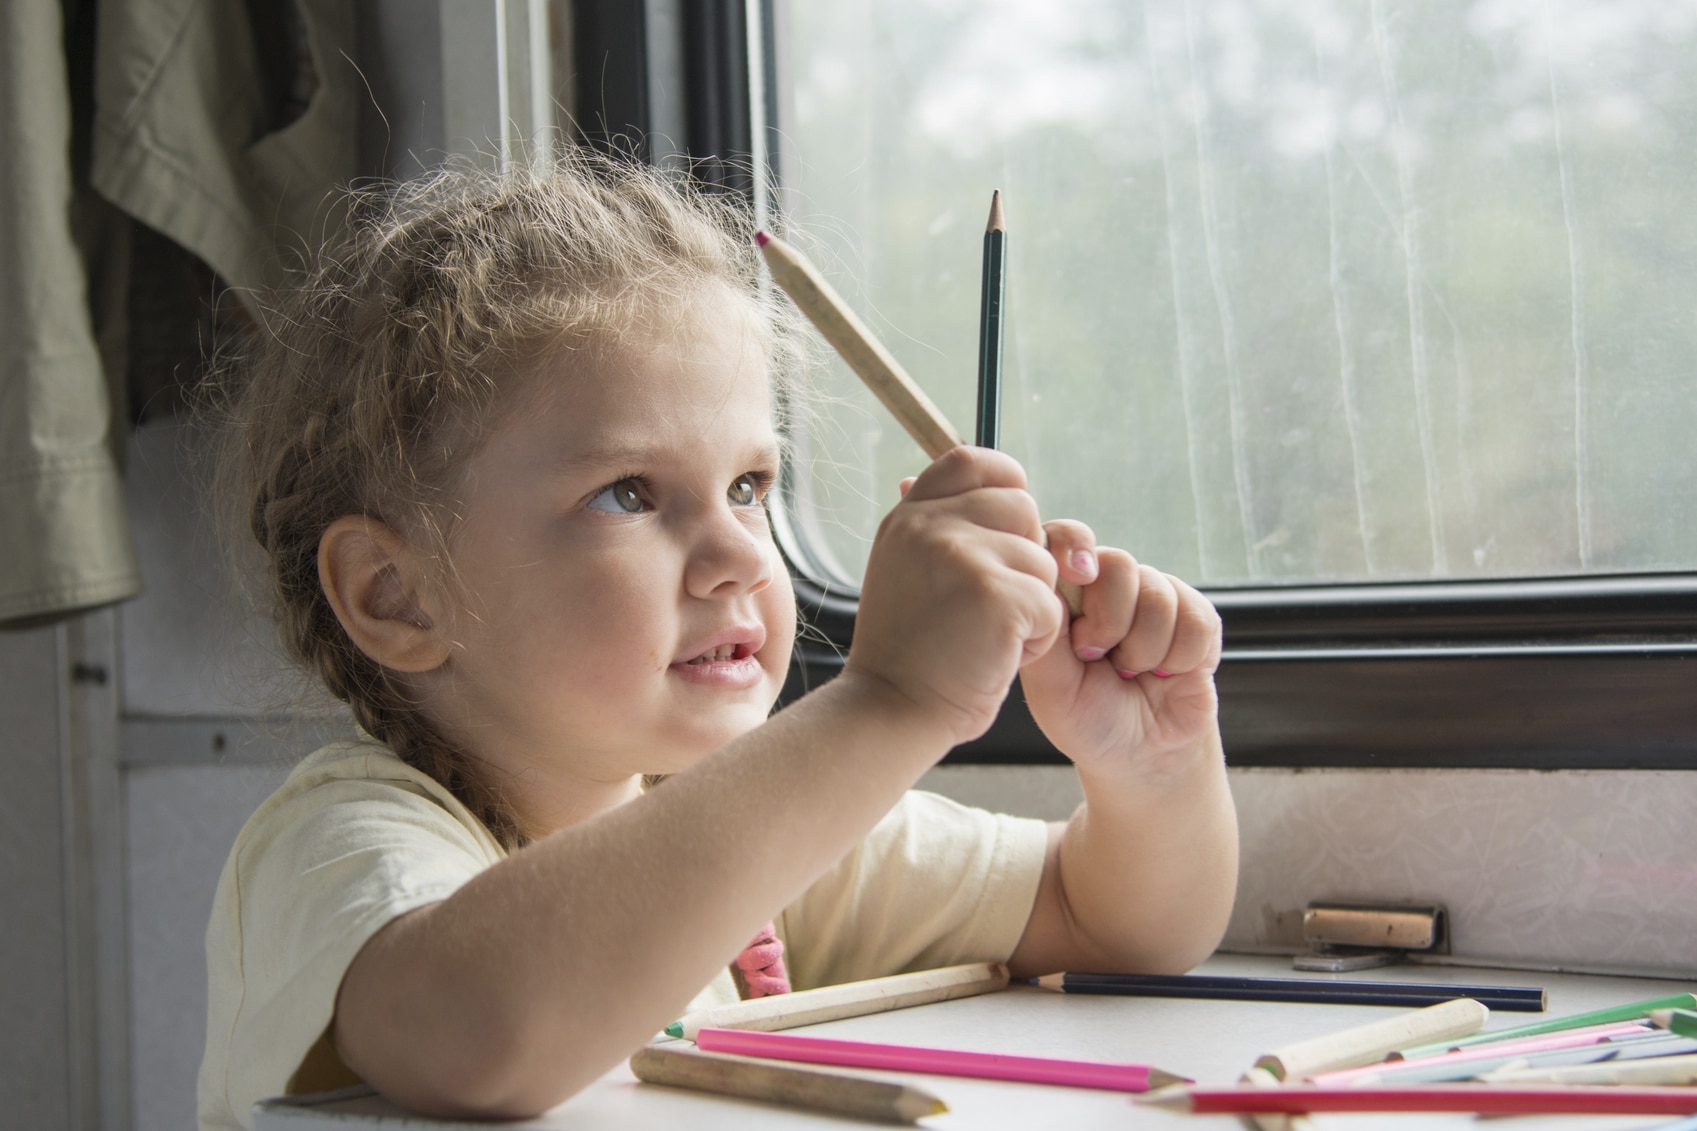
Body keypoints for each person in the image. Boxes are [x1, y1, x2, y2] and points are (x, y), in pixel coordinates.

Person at [196, 151, 1239, 1131]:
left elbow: (1112, 921)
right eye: (629, 494)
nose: (739, 556)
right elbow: (478, 1035)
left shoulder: (765, 830)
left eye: (749, 486)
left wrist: (1149, 767)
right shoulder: (342, 842)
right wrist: (889, 702)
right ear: (397, 597)